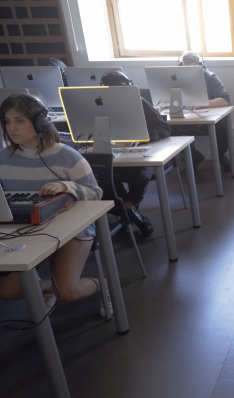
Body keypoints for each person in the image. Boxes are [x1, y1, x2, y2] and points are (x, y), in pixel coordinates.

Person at [0, 93, 106, 314]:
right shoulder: (3, 157)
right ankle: (49, 288)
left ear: (40, 123)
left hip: (73, 229)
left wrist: (66, 187)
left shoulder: (67, 156)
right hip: (25, 228)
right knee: (7, 292)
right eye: (7, 122)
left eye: (19, 120)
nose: (12, 128)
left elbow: (95, 194)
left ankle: (104, 284)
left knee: (67, 292)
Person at [99, 70, 172, 238]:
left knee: (139, 174)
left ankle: (128, 212)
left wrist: (142, 137)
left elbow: (163, 128)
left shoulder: (140, 103)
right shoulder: (96, 105)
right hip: (111, 152)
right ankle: (132, 214)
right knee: (102, 174)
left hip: (141, 156)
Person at [174, 50, 232, 172]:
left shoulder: (210, 77)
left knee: (221, 125)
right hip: (185, 118)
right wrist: (162, 105)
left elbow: (225, 100)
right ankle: (194, 156)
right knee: (166, 128)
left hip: (207, 118)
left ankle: (220, 156)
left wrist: (202, 103)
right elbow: (166, 98)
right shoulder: (175, 78)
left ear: (201, 65)